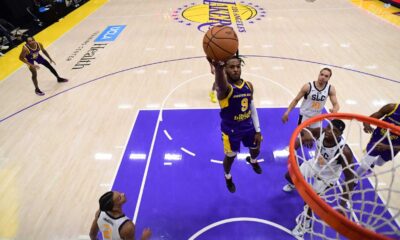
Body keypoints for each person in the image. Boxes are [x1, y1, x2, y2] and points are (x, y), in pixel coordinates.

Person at [281, 119, 355, 237]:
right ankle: (294, 184)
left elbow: (350, 178)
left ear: (340, 135)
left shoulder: (344, 151)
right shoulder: (321, 131)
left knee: (310, 202)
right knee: (289, 176)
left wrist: (343, 205)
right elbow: (303, 130)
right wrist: (299, 143)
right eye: (329, 127)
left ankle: (306, 224)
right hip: (315, 164)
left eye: (335, 131)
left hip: (327, 177)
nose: (330, 131)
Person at [211, 55, 263, 193]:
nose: (235, 69)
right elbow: (221, 85)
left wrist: (257, 130)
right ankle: (227, 176)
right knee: (231, 157)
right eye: (231, 67)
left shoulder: (248, 85)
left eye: (238, 66)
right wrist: (218, 69)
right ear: (226, 70)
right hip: (231, 130)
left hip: (248, 126)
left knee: (256, 148)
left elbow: (252, 107)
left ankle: (252, 160)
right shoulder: (224, 89)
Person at [356, 103, 400, 178]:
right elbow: (369, 119)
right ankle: (354, 181)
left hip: (394, 146)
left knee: (380, 163)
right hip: (378, 140)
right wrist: (367, 125)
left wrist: (387, 147)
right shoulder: (392, 107)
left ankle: (372, 163)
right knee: (364, 166)